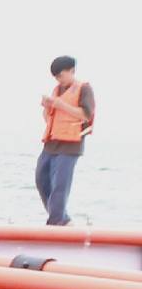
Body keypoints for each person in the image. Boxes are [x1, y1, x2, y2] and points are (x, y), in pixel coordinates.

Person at [37, 56, 96, 227]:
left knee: (60, 186)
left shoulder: (84, 89)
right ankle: (63, 218)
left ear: (71, 71)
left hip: (70, 144)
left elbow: (86, 114)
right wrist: (48, 107)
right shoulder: (57, 91)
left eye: (61, 75)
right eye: (56, 77)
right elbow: (48, 118)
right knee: (41, 180)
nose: (58, 80)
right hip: (51, 143)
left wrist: (60, 105)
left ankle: (56, 221)